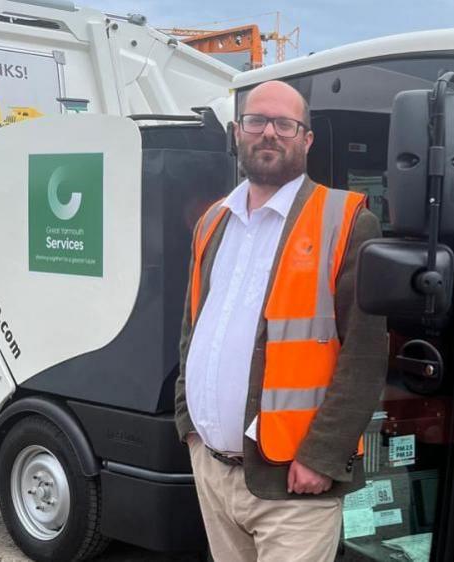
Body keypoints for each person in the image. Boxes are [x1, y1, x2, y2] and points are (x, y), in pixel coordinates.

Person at [174, 80, 388, 561]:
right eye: (256, 121)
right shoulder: (213, 222)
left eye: (284, 124)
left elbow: (366, 353)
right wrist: (188, 423)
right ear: (237, 132)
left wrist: (322, 456)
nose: (269, 133)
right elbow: (193, 328)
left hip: (294, 481)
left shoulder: (345, 220)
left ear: (306, 139)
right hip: (212, 468)